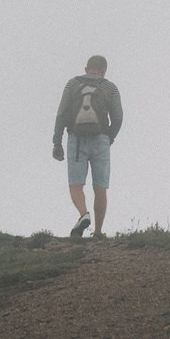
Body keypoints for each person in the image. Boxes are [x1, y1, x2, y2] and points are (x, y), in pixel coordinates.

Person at [52, 56, 123, 239]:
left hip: (76, 139)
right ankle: (98, 232)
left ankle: (84, 214)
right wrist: (109, 138)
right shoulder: (110, 87)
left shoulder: (73, 84)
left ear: (86, 68)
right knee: (100, 187)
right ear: (104, 70)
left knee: (76, 185)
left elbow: (61, 114)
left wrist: (57, 141)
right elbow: (118, 117)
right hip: (101, 140)